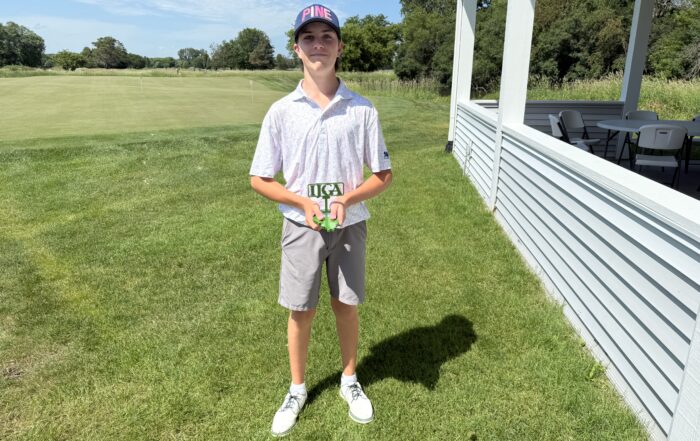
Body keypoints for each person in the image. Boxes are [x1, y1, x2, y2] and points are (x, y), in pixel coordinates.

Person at [249, 3, 393, 437]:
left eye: (327, 37)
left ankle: (349, 379)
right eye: (308, 38)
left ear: (340, 47)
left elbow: (382, 174)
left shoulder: (362, 109)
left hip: (349, 224)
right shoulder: (281, 111)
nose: (318, 45)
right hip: (300, 226)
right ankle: (297, 389)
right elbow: (259, 178)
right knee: (301, 309)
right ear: (296, 48)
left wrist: (348, 198)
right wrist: (300, 202)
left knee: (346, 304)